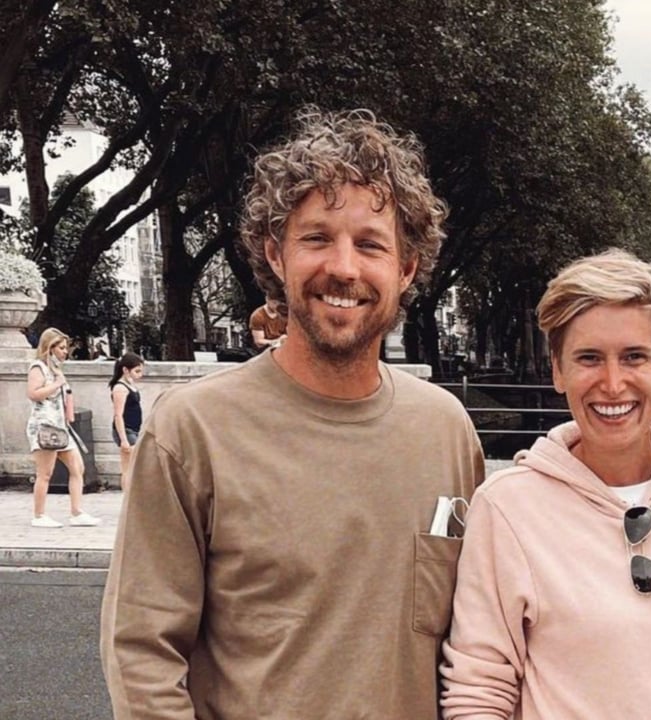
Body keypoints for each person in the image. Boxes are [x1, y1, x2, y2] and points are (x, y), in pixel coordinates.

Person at [100, 109, 486, 719]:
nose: (344, 267)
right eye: (316, 238)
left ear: (406, 268)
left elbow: (477, 644)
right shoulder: (193, 430)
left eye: (370, 244)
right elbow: (141, 651)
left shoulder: (446, 430)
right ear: (275, 255)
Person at [441, 249, 651, 719]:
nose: (613, 384)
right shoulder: (506, 506)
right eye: (589, 358)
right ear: (558, 371)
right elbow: (478, 690)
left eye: (634, 357)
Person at [26, 327, 102, 528]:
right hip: (45, 426)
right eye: (60, 348)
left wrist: (69, 412)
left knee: (78, 467)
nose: (65, 351)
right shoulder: (38, 368)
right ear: (49, 348)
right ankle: (39, 515)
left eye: (65, 347)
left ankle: (77, 512)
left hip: (60, 426)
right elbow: (33, 393)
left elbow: (65, 393)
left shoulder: (57, 369)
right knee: (45, 473)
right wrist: (56, 384)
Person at [107, 352, 145, 492]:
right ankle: (128, 496)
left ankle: (131, 496)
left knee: (130, 467)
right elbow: (118, 415)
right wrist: (123, 439)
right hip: (127, 430)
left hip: (133, 429)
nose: (140, 375)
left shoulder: (128, 385)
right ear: (125, 370)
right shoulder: (120, 388)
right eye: (137, 371)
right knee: (128, 468)